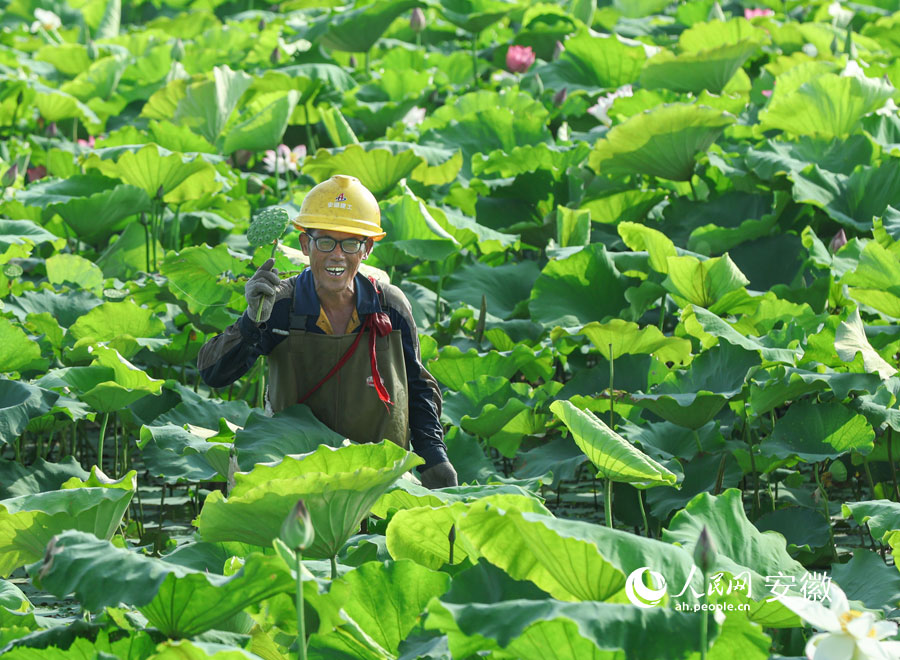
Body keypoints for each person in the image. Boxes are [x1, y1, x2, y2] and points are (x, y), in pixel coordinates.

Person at [197, 175, 458, 489]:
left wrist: (434, 457)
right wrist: (251, 322)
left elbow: (416, 387)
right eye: (325, 242)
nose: (337, 255)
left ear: (367, 248)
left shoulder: (390, 306)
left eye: (350, 243)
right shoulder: (281, 305)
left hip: (377, 479)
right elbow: (213, 374)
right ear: (305, 244)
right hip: (294, 478)